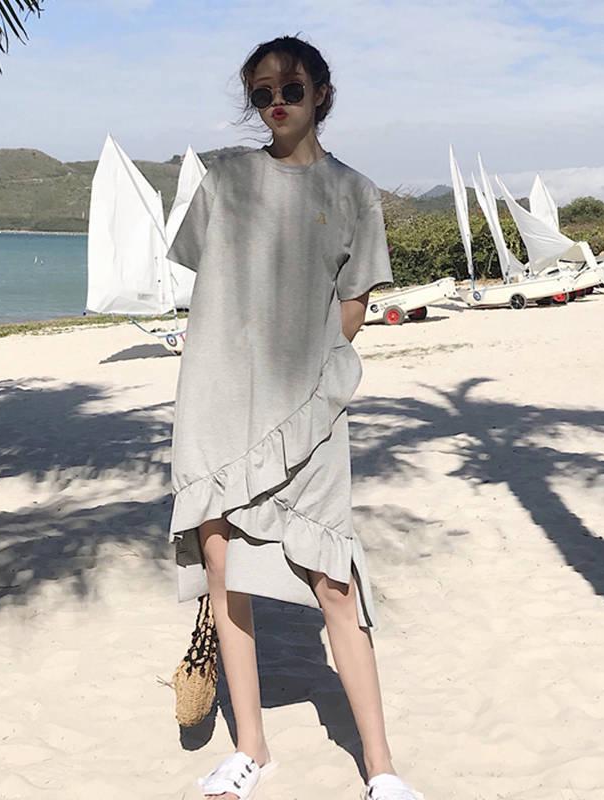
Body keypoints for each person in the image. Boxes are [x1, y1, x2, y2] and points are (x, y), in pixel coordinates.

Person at [167, 35, 422, 800]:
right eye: (262, 93)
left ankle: (381, 768)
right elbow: (212, 289)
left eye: (291, 88)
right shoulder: (224, 179)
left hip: (308, 407)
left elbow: (352, 309)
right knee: (223, 571)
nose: (276, 102)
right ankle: (252, 750)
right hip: (219, 402)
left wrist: (303, 382)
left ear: (321, 94)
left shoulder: (354, 193)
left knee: (333, 583)